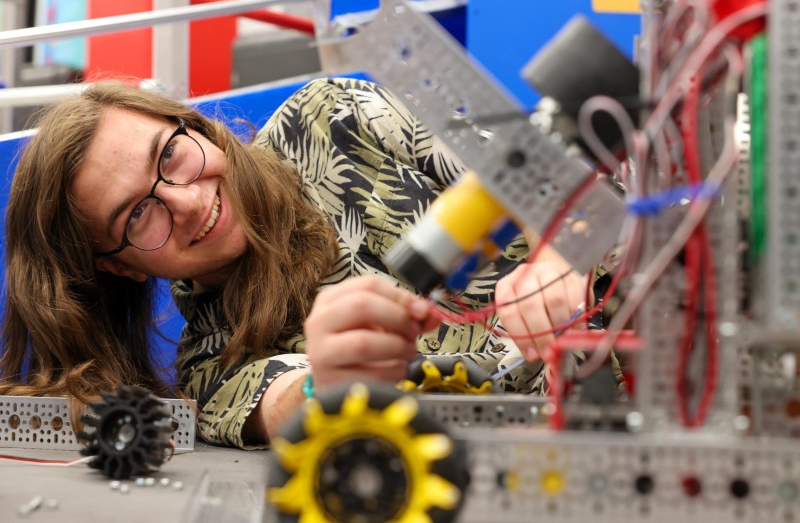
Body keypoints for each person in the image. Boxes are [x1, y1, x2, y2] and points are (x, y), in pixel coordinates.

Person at [0, 77, 586, 448]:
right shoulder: (211, 367)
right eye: (136, 215)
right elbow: (287, 403)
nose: (186, 199)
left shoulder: (331, 120)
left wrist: (560, 250)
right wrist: (328, 385)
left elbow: (539, 169)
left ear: (196, 126)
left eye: (171, 154)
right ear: (122, 267)